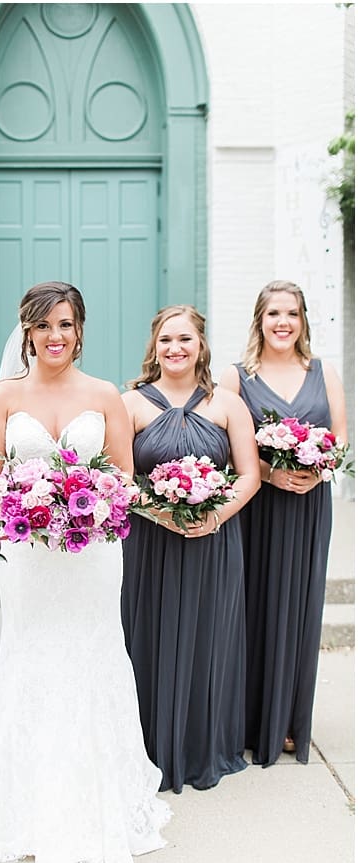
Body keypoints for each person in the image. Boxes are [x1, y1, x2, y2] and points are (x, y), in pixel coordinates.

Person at [0, 282, 170, 863]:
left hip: (93, 557)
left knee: (93, 656)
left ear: (81, 330)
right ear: (26, 331)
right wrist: (29, 507)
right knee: (29, 658)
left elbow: (125, 480)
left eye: (66, 324)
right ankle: (23, 805)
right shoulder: (2, 397)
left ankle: (103, 800)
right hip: (27, 559)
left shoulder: (106, 394)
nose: (56, 336)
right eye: (44, 325)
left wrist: (94, 502)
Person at [120, 305, 260, 792]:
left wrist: (212, 516)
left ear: (201, 345)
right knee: (148, 634)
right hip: (149, 544)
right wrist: (163, 513)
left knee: (208, 635)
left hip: (213, 545)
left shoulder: (226, 403)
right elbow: (119, 478)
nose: (175, 349)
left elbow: (249, 474)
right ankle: (150, 747)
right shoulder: (130, 403)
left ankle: (202, 745)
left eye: (185, 340)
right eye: (165, 340)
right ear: (153, 347)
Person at [219, 280, 349, 765]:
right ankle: (249, 721)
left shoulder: (324, 372)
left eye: (291, 313)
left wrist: (319, 472)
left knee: (300, 606)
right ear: (259, 319)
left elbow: (339, 440)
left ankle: (290, 720)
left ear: (303, 320)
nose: (282, 322)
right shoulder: (237, 377)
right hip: (258, 508)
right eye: (273, 313)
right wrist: (270, 474)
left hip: (310, 507)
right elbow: (223, 449)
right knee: (251, 604)